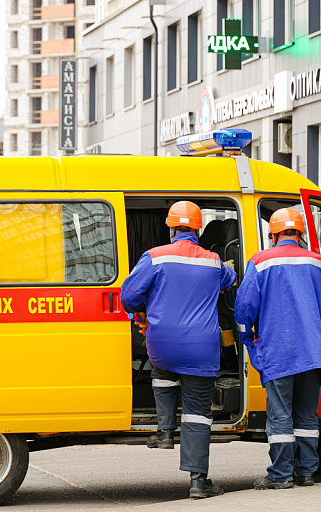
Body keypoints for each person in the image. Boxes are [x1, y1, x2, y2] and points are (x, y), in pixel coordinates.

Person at [121, 200, 236, 499]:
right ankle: (198, 482)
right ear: (198, 228)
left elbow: (129, 296)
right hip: (202, 349)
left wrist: (140, 314)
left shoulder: (154, 257)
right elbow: (230, 279)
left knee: (162, 371)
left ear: (171, 227)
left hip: (162, 347)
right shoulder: (213, 261)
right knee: (198, 413)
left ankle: (164, 432)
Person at [234, 207, 321, 490]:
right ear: (301, 234)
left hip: (278, 353)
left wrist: (247, 336)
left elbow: (245, 306)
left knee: (281, 417)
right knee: (307, 417)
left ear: (273, 234)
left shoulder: (260, 263)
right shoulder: (320, 263)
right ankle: (306, 473)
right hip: (313, 353)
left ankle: (280, 476)